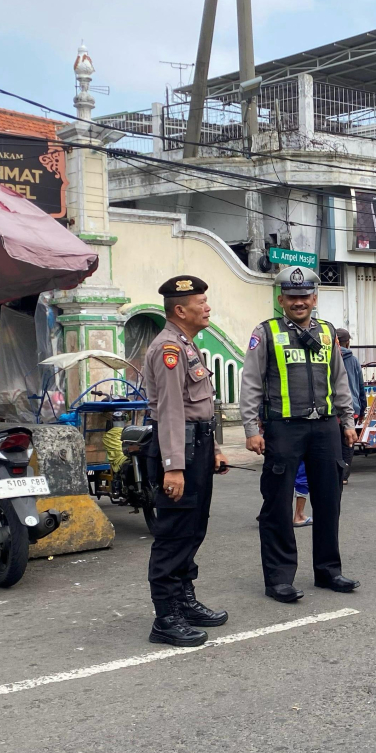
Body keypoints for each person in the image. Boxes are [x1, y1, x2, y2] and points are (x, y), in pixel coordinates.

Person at [239, 266, 359, 603]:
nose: (299, 302)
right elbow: (251, 381)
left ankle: (328, 571)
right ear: (281, 300)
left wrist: (348, 421)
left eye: (305, 296)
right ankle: (279, 579)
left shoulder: (327, 332)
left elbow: (339, 380)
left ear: (314, 298)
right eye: (292, 297)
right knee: (278, 504)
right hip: (283, 428)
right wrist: (251, 428)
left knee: (329, 501)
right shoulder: (266, 332)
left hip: (325, 427)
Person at [141, 276, 230, 648]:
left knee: (193, 530)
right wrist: (174, 466)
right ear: (180, 310)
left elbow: (203, 405)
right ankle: (165, 618)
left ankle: (184, 601)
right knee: (174, 535)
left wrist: (216, 448)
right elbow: (171, 411)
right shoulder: (169, 349)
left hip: (198, 446)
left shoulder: (187, 343)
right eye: (201, 303)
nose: (207, 308)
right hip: (181, 451)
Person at [335, 329, 365, 485]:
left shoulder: (328, 357)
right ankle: (344, 476)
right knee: (348, 442)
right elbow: (360, 386)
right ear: (347, 342)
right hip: (351, 407)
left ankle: (334, 474)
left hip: (333, 408)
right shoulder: (353, 360)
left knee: (334, 442)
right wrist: (362, 408)